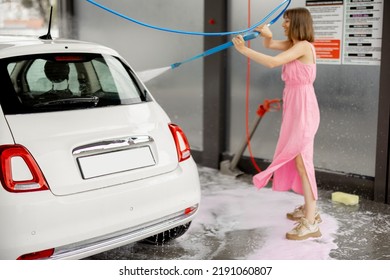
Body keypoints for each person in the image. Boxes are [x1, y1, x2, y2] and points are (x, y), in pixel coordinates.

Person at [232, 7, 321, 241]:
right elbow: (271, 47)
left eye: (287, 22)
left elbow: (273, 62)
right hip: (295, 105)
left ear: (298, 23)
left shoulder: (302, 46)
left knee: (303, 161)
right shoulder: (294, 44)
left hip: (303, 107)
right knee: (297, 158)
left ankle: (311, 221)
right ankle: (310, 209)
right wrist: (268, 36)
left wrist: (243, 50)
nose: (284, 25)